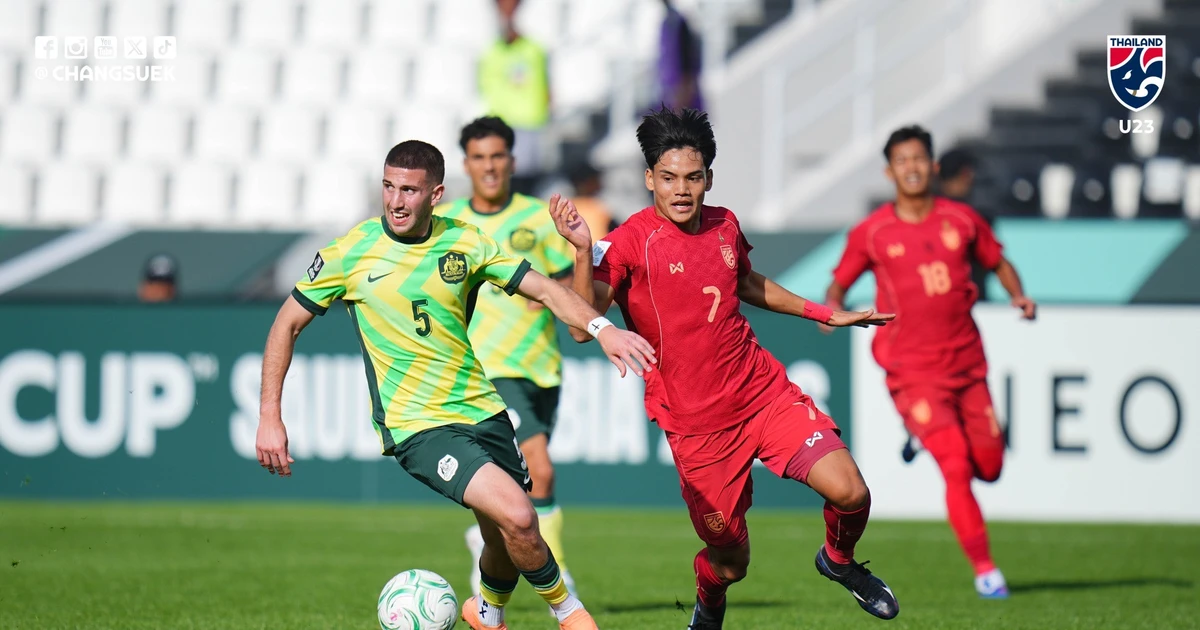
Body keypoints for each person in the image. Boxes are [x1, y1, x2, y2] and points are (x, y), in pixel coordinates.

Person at [254, 140, 657, 630]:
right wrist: (270, 415)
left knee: (504, 536)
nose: (396, 200)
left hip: (483, 410)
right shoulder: (350, 252)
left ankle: (487, 613)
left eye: (409, 190)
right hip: (418, 425)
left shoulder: (465, 242)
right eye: (388, 187)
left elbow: (546, 290)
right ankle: (570, 614)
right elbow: (286, 324)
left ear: (436, 194)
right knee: (521, 516)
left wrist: (602, 329)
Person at [549, 107, 900, 629]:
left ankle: (839, 560)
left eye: (693, 177)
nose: (682, 190)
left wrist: (825, 313)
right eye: (669, 177)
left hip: (762, 395)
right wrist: (582, 252)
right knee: (731, 561)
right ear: (649, 179)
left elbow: (747, 282)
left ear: (709, 179)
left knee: (851, 492)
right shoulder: (627, 242)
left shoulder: (725, 224)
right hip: (698, 428)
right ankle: (710, 600)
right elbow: (583, 326)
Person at [822, 125, 1037, 599]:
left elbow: (998, 262)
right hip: (913, 374)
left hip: (967, 366)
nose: (912, 168)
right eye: (902, 161)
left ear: (934, 166)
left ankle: (923, 436)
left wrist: (1018, 295)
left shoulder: (962, 220)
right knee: (956, 466)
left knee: (990, 466)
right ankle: (986, 571)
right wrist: (831, 311)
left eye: (919, 158)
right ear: (889, 172)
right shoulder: (873, 231)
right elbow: (838, 284)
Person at [435, 116, 580, 603]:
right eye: (479, 157)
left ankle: (487, 542)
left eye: (497, 155)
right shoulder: (448, 224)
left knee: (521, 482)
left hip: (542, 368)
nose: (489, 166)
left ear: (512, 161)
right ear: (466, 165)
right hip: (485, 370)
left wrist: (552, 291)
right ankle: (558, 579)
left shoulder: (539, 218)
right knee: (542, 470)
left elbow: (569, 284)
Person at [478, 0, 551, 195]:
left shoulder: (533, 49)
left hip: (528, 123)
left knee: (525, 180)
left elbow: (546, 87)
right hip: (501, 124)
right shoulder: (492, 52)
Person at [657, 0, 704, 112]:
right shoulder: (668, 22)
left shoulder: (678, 22)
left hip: (682, 86)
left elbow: (688, 56)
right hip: (673, 87)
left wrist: (684, 87)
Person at [568, 162, 619, 242]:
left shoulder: (563, 208)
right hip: (596, 249)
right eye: (595, 179)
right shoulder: (598, 207)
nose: (599, 182)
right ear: (588, 183)